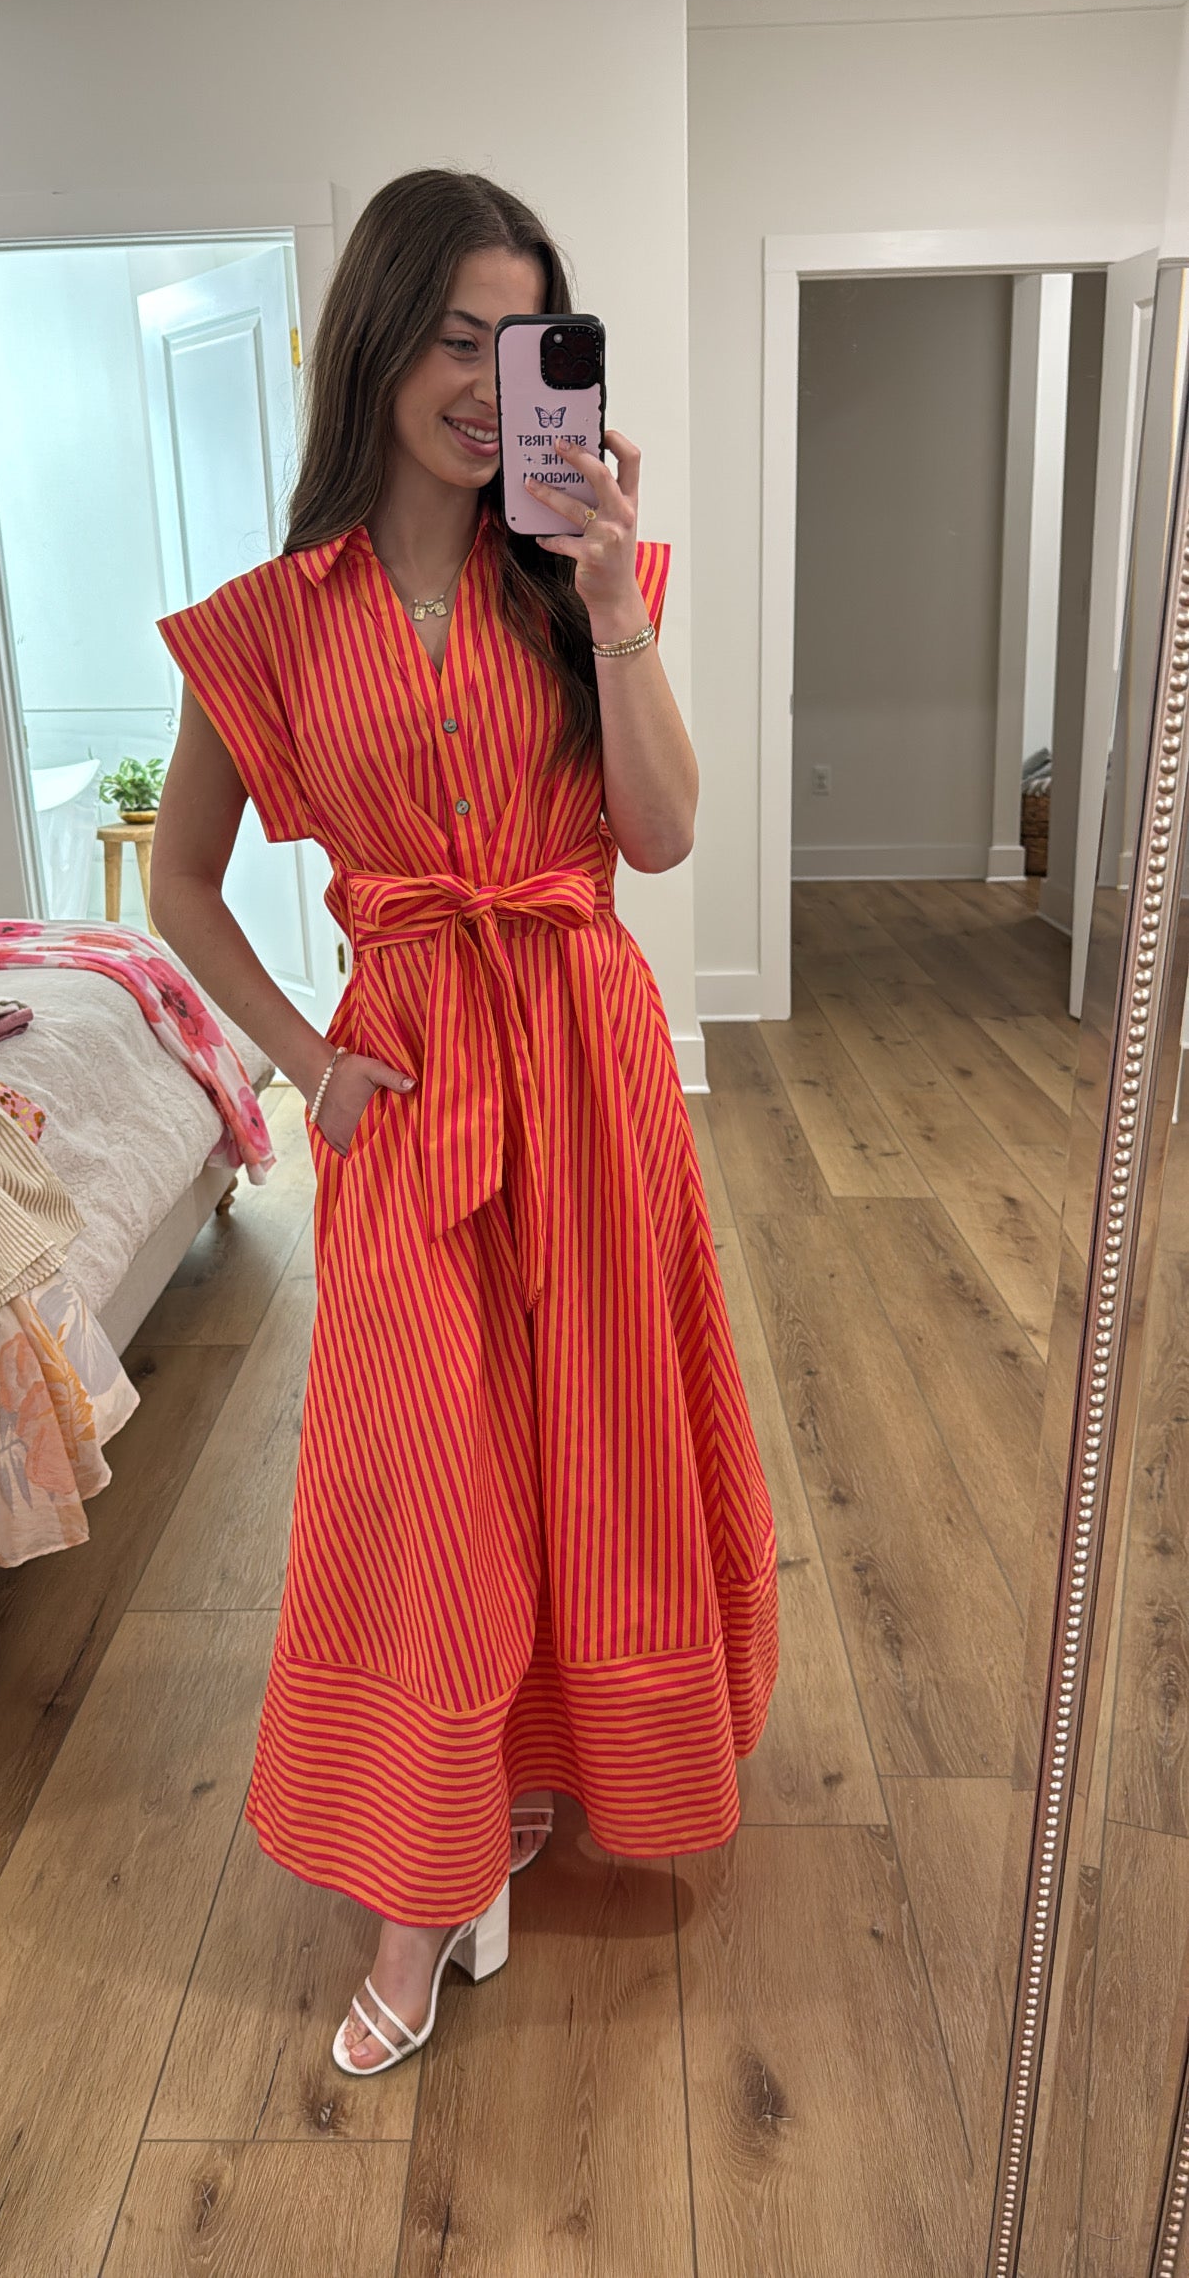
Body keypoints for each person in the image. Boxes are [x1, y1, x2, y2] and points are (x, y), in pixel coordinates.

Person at [149, 167, 779, 2075]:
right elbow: (180, 884)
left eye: (520, 347)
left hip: (586, 1065)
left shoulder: (579, 584)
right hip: (409, 1089)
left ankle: (529, 1775)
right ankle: (420, 1890)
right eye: (449, 338)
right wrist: (303, 1059)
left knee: (590, 1438)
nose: (486, 386)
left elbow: (658, 836)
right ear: (370, 341)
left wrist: (610, 599)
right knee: (425, 1480)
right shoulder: (270, 623)